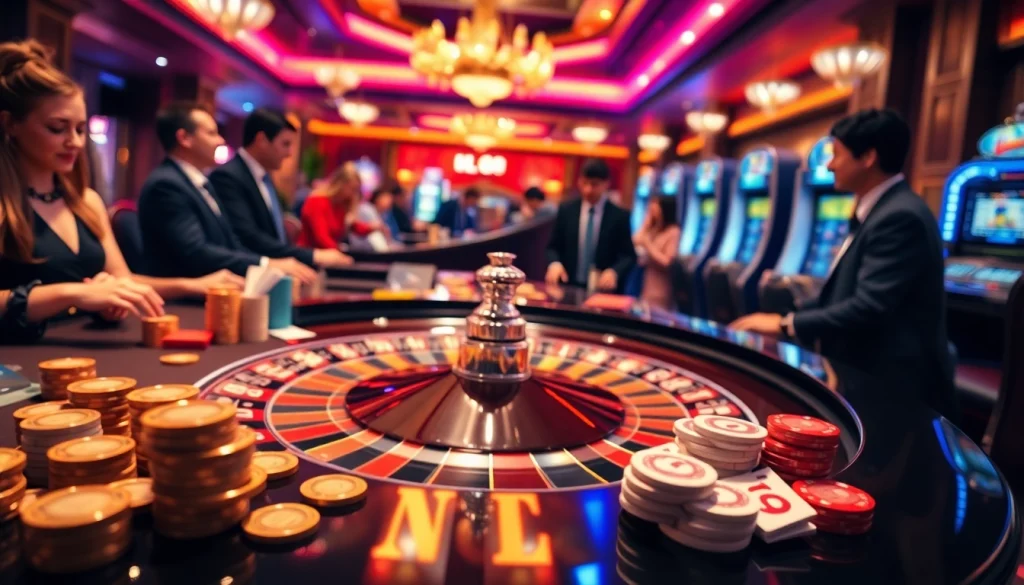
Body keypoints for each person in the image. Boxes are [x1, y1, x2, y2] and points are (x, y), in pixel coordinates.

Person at [0, 41, 241, 342]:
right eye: (57, 128)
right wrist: (73, 293)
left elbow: (123, 281)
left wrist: (191, 285)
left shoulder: (86, 202)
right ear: (10, 124)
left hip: (84, 350)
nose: (75, 142)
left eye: (79, 129)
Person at [730, 108, 956, 417]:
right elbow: (841, 294)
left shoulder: (899, 216)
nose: (829, 164)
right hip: (869, 375)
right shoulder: (882, 209)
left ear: (868, 157)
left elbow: (869, 306)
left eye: (837, 154)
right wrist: (785, 317)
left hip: (895, 386)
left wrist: (786, 324)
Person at [137, 102, 316, 283]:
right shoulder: (166, 185)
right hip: (183, 300)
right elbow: (196, 252)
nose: (221, 140)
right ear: (184, 138)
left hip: (213, 290)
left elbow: (231, 244)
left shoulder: (199, 183)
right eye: (211, 133)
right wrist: (265, 263)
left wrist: (266, 265)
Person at [209, 108, 351, 270]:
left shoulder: (264, 177)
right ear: (261, 140)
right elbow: (247, 236)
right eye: (285, 144)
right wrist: (311, 255)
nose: (290, 153)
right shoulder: (228, 176)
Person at [545, 158, 636, 293]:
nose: (588, 189)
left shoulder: (620, 216)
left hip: (602, 291)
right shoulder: (567, 210)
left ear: (606, 184)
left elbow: (628, 256)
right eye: (584, 183)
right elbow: (552, 247)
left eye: (594, 184)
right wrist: (555, 263)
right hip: (568, 286)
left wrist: (614, 272)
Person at [297, 162, 375, 249]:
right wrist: (339, 250)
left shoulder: (341, 205)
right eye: (352, 189)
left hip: (329, 254)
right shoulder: (316, 201)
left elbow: (354, 227)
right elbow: (321, 238)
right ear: (340, 185)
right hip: (310, 254)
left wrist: (373, 228)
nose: (354, 194)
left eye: (356, 190)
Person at [634, 196, 681, 310]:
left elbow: (667, 262)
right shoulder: (654, 229)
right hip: (645, 286)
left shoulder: (673, 231)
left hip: (661, 291)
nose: (651, 209)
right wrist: (646, 224)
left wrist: (648, 245)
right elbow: (635, 241)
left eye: (655, 207)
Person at [350, 187, 398, 251]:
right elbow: (374, 233)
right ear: (378, 198)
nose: (390, 201)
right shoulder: (367, 209)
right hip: (363, 249)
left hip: (373, 248)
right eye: (386, 198)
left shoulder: (385, 213)